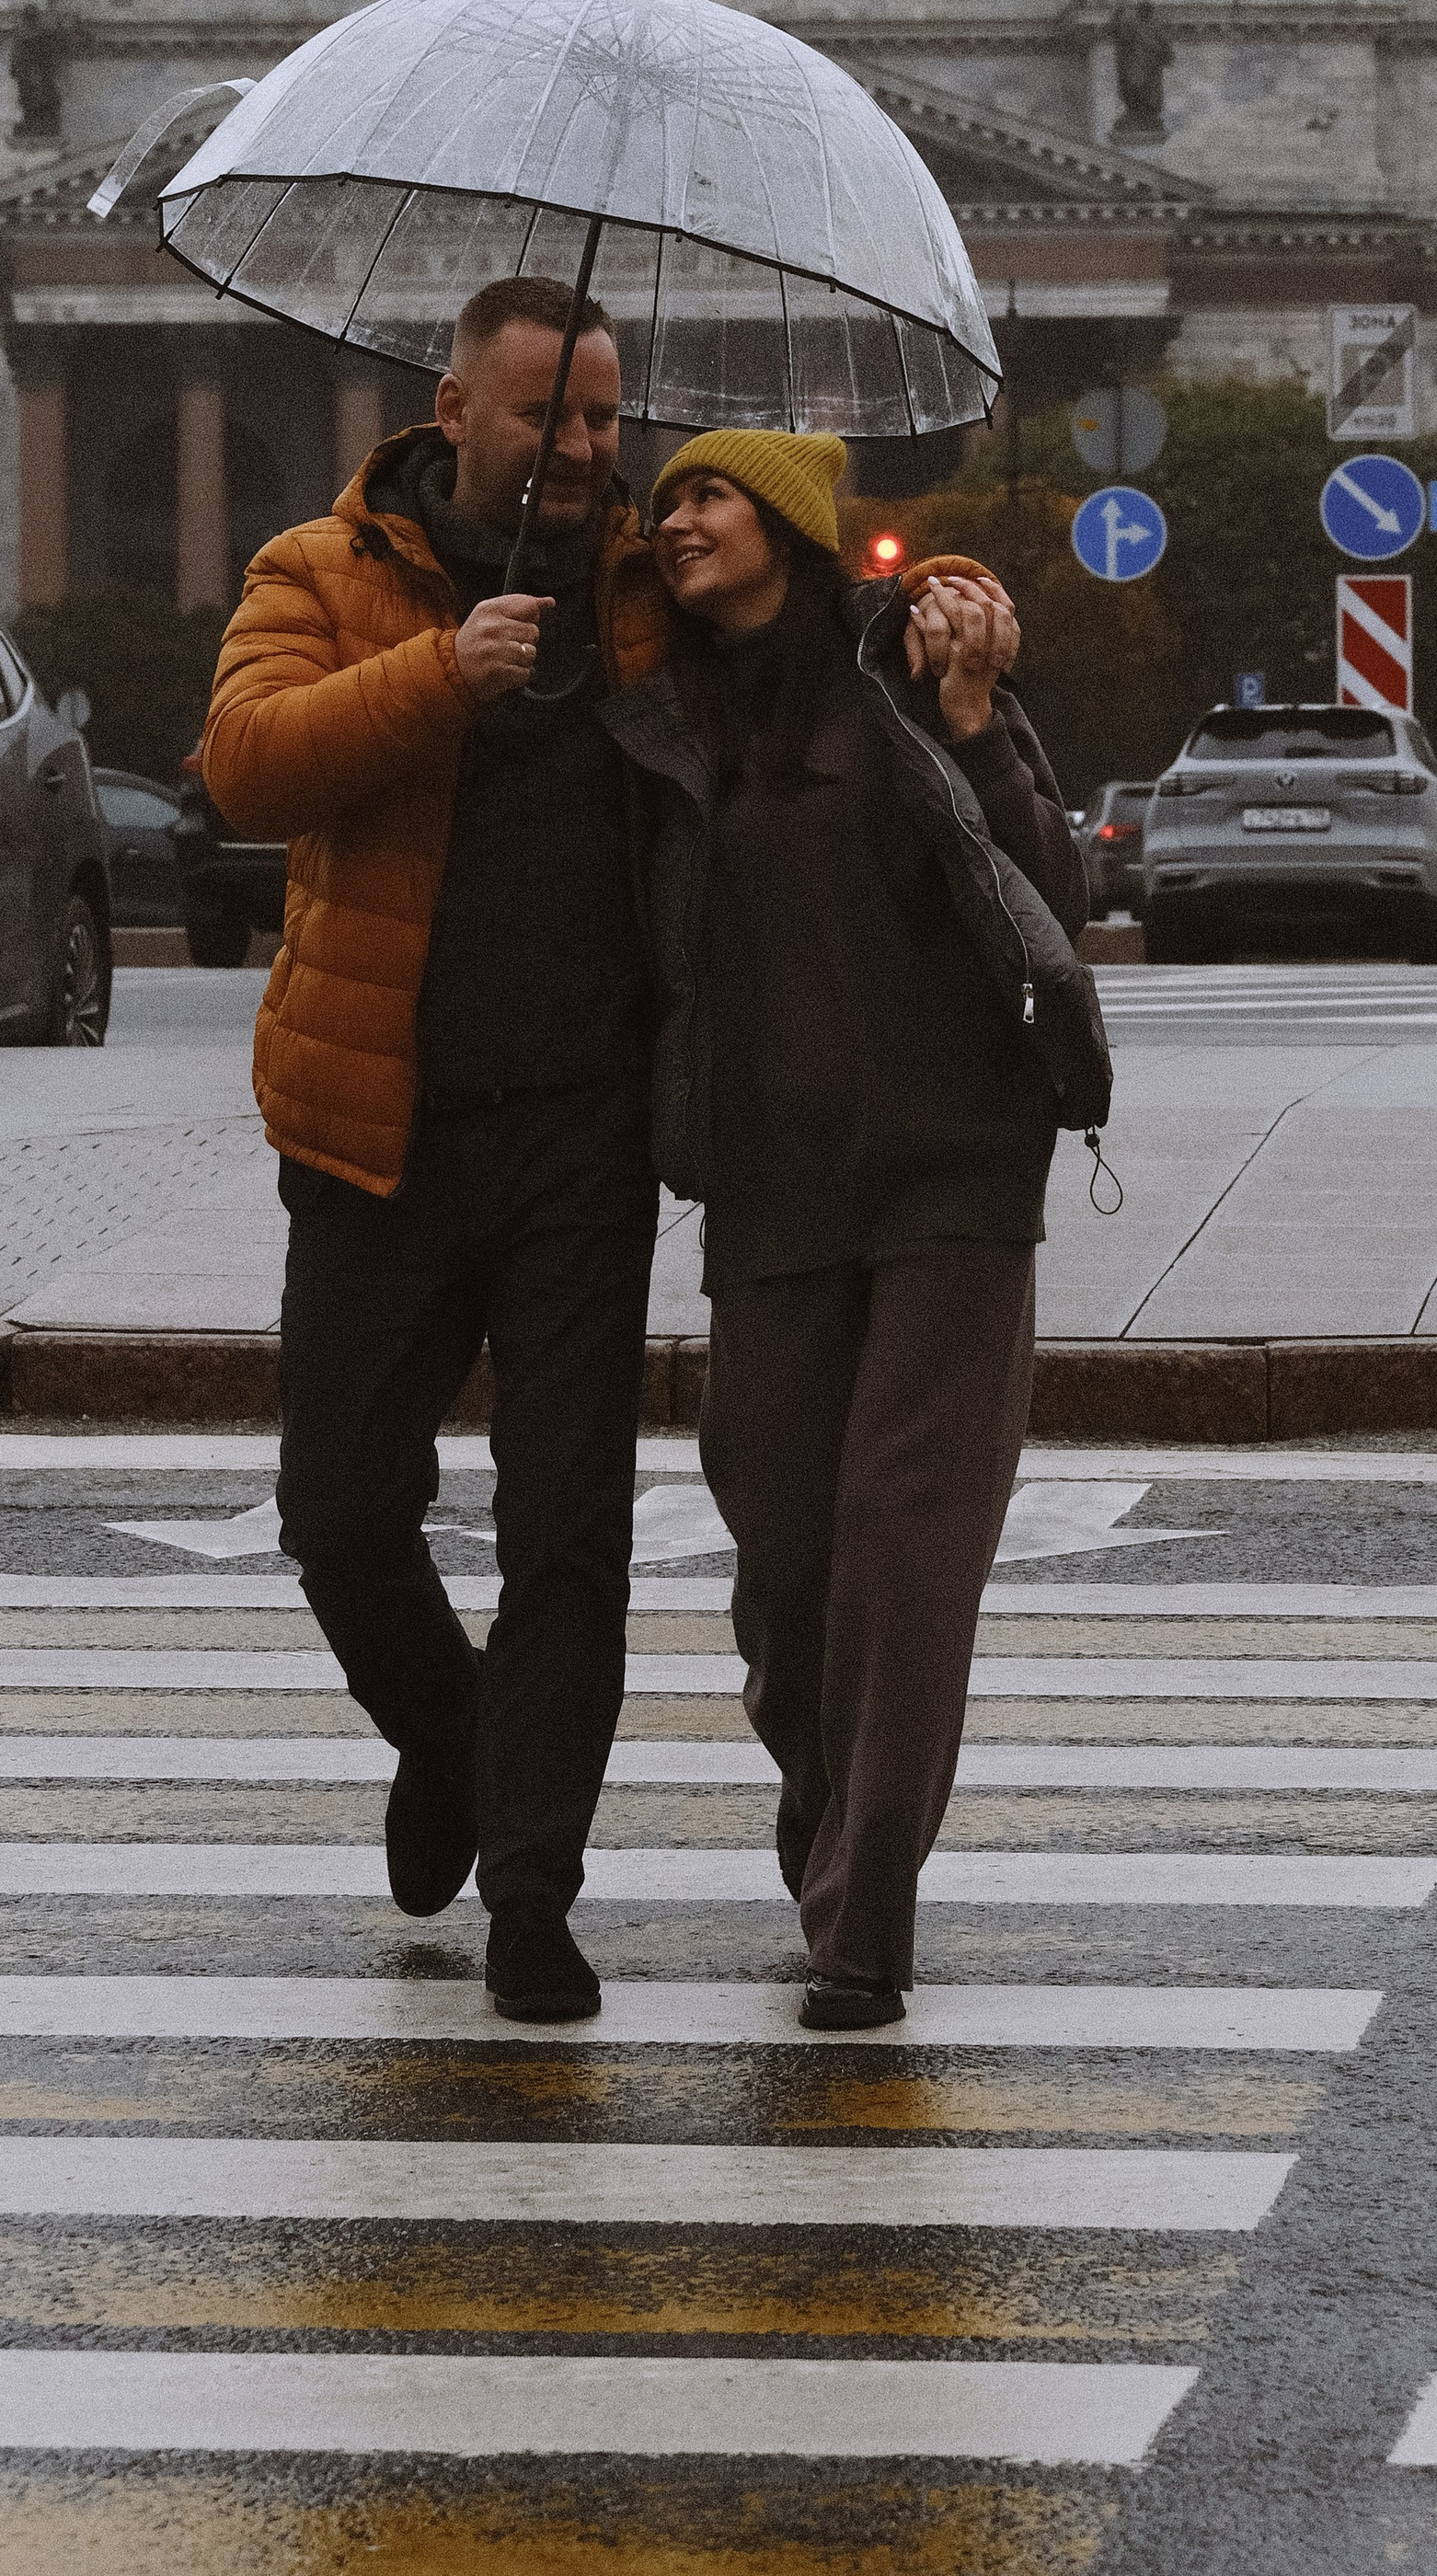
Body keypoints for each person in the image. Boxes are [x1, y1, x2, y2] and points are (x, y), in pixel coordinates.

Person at [199, 276, 667, 2025]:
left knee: (569, 1530)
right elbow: (245, 766)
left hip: (581, 1138)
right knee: (338, 1515)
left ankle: (535, 1899)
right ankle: (453, 1746)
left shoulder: (643, 587)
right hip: (373, 1132)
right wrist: (441, 673)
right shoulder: (320, 573)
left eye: (609, 419)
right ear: (454, 410)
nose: (583, 450)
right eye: (550, 414)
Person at [602, 429, 1093, 2028]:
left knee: (905, 1555)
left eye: (710, 496)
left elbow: (1043, 890)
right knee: (783, 1567)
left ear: (795, 532)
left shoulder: (903, 689)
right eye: (664, 500)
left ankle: (863, 1917)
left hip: (955, 1175)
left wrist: (976, 717)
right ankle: (828, 1822)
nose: (677, 518)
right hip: (769, 1189)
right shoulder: (655, 723)